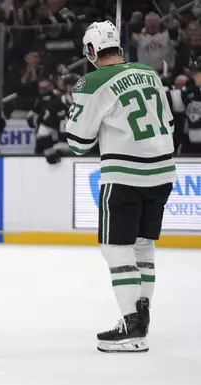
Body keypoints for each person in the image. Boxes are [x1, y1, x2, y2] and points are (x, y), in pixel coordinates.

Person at [66, 21, 176, 353]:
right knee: (143, 246)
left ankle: (131, 325)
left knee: (115, 249)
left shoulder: (91, 79)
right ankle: (141, 317)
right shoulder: (149, 71)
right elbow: (169, 122)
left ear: (90, 51)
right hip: (163, 170)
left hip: (125, 175)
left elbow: (78, 142)